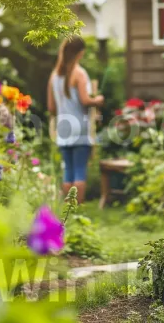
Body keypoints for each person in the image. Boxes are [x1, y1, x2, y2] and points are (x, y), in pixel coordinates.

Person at [47, 35, 104, 204]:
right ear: (80, 53)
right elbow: (85, 100)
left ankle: (67, 210)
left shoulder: (54, 75)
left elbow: (51, 108)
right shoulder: (79, 73)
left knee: (68, 170)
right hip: (80, 125)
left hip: (63, 126)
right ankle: (77, 208)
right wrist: (98, 100)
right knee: (80, 170)